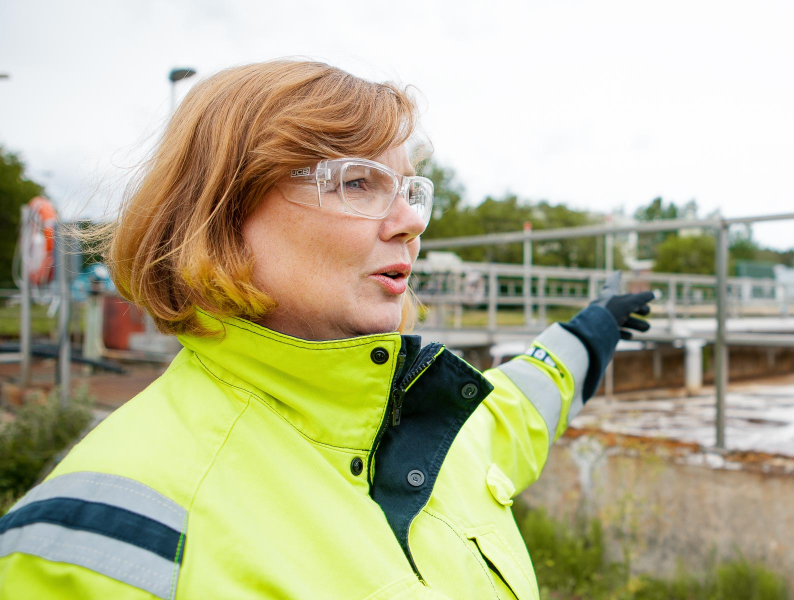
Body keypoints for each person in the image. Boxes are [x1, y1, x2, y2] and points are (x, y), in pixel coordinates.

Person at [0, 60, 654, 599]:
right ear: (222, 215)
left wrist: (589, 333)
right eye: (359, 183)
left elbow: (520, 405)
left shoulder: (440, 427)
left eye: (409, 190)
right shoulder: (100, 540)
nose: (411, 223)